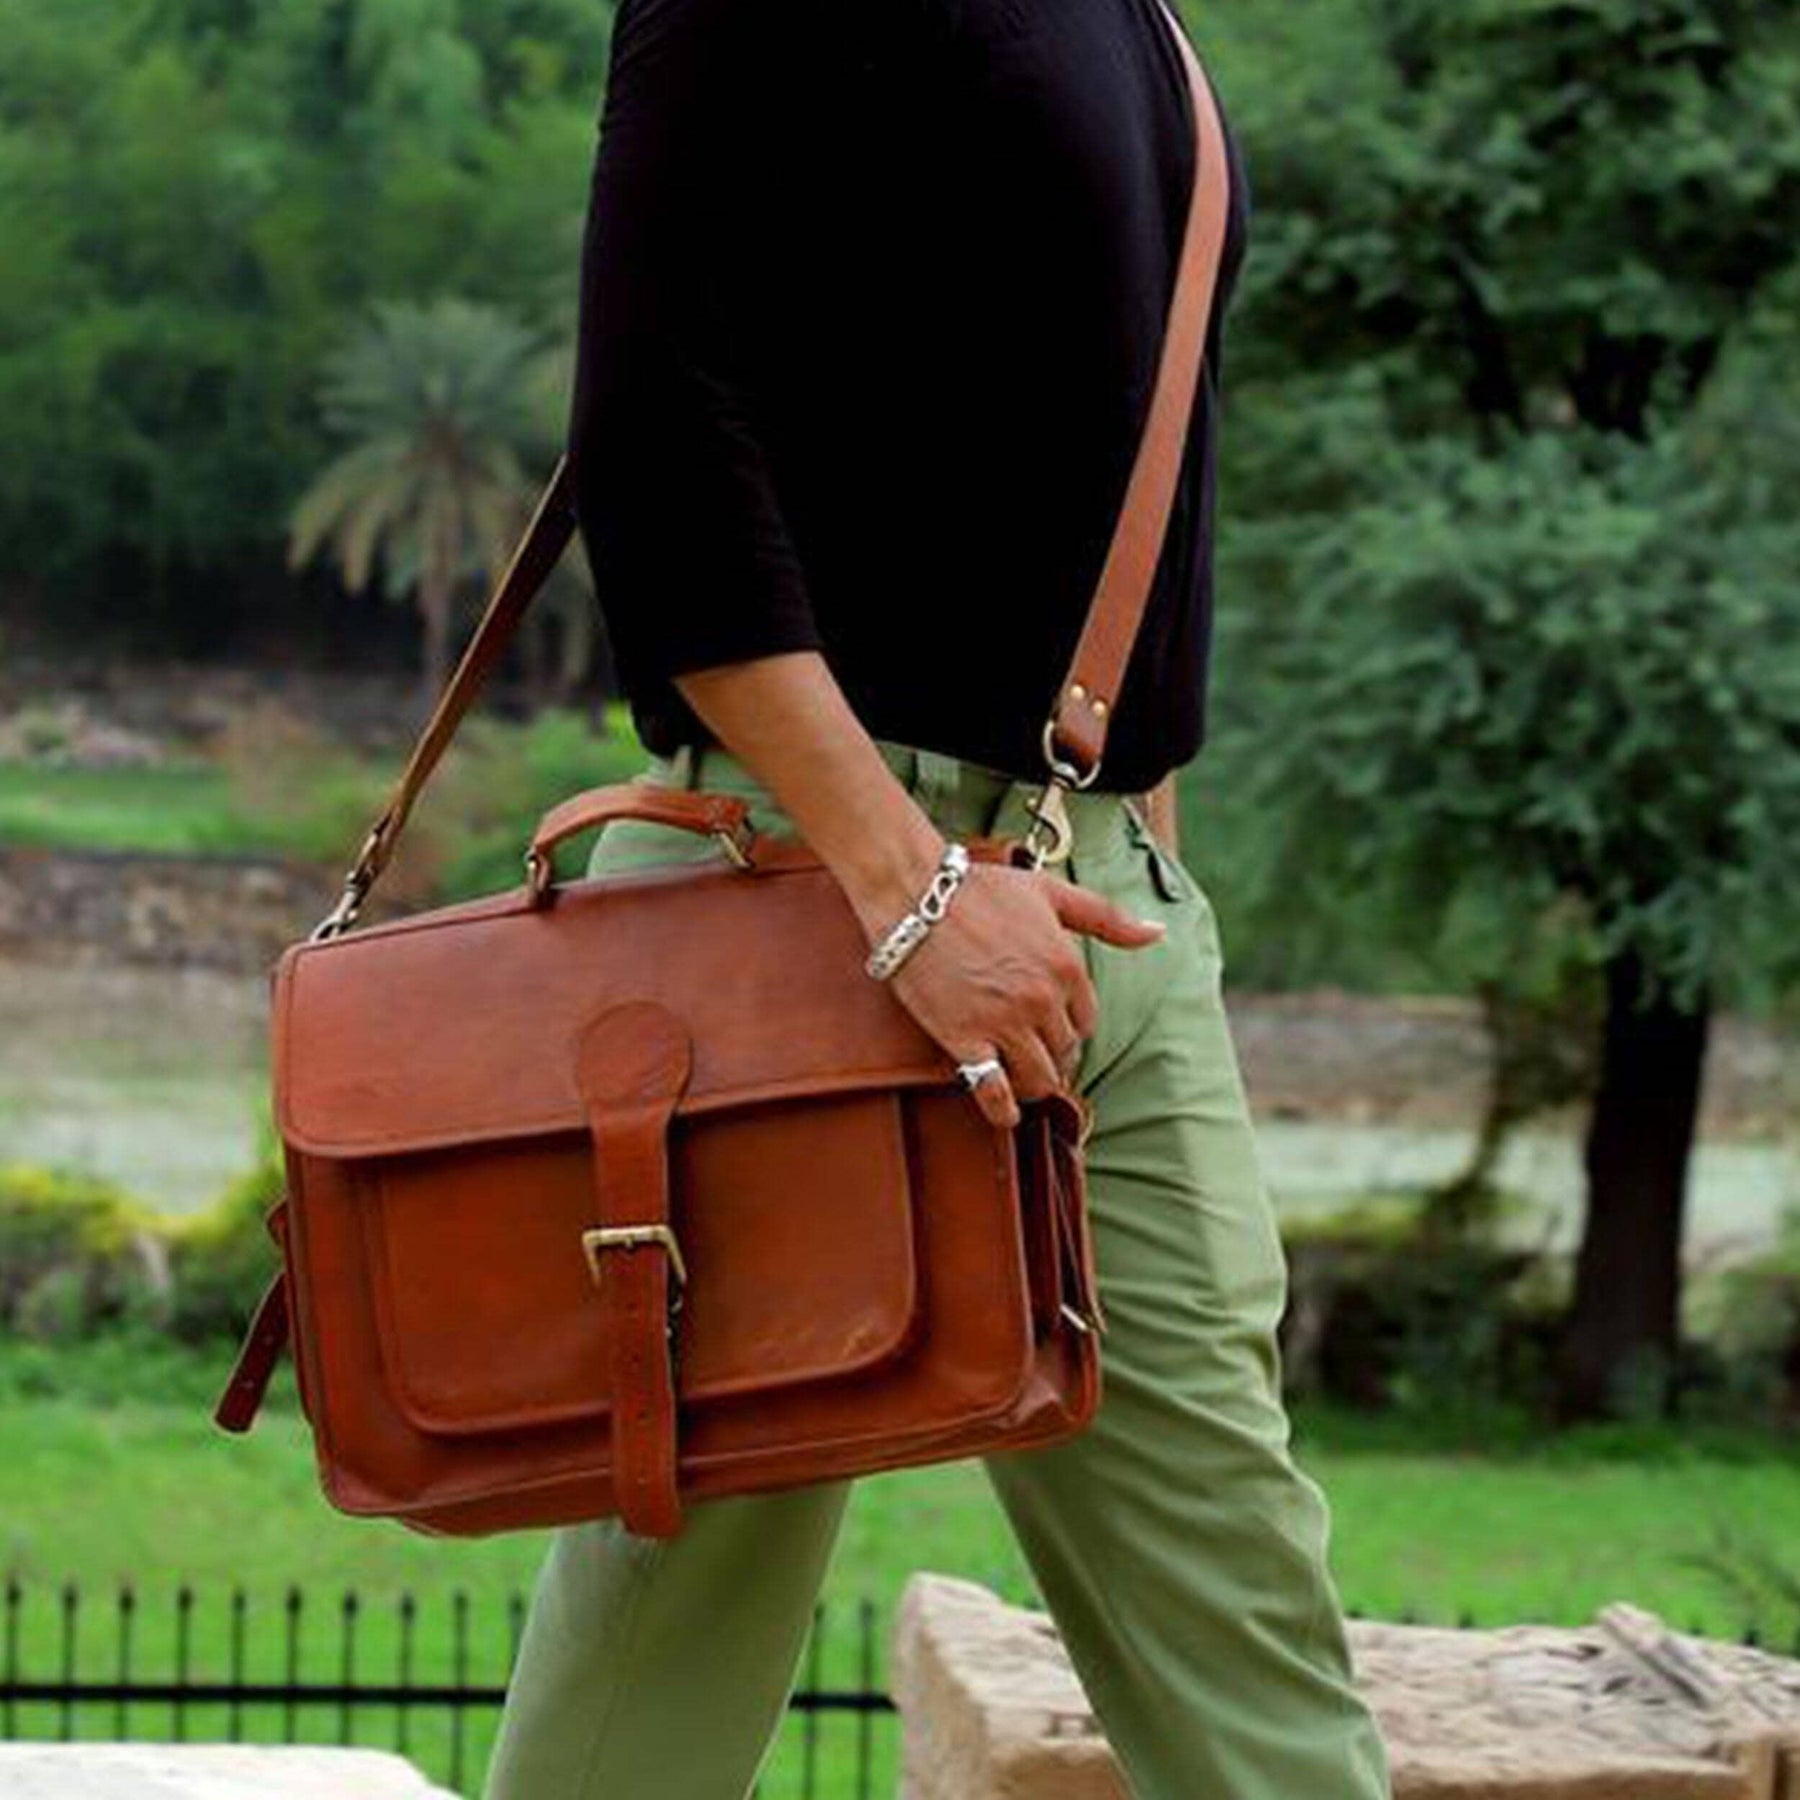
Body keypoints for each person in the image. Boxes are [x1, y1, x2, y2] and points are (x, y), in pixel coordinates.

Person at [485, 1, 1394, 1795]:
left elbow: (1123, 492)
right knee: (673, 1624)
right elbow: (653, 439)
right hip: (808, 888)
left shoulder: (1146, 26)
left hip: (1097, 912)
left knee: (1246, 1626)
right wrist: (906, 896)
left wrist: (1136, 846)